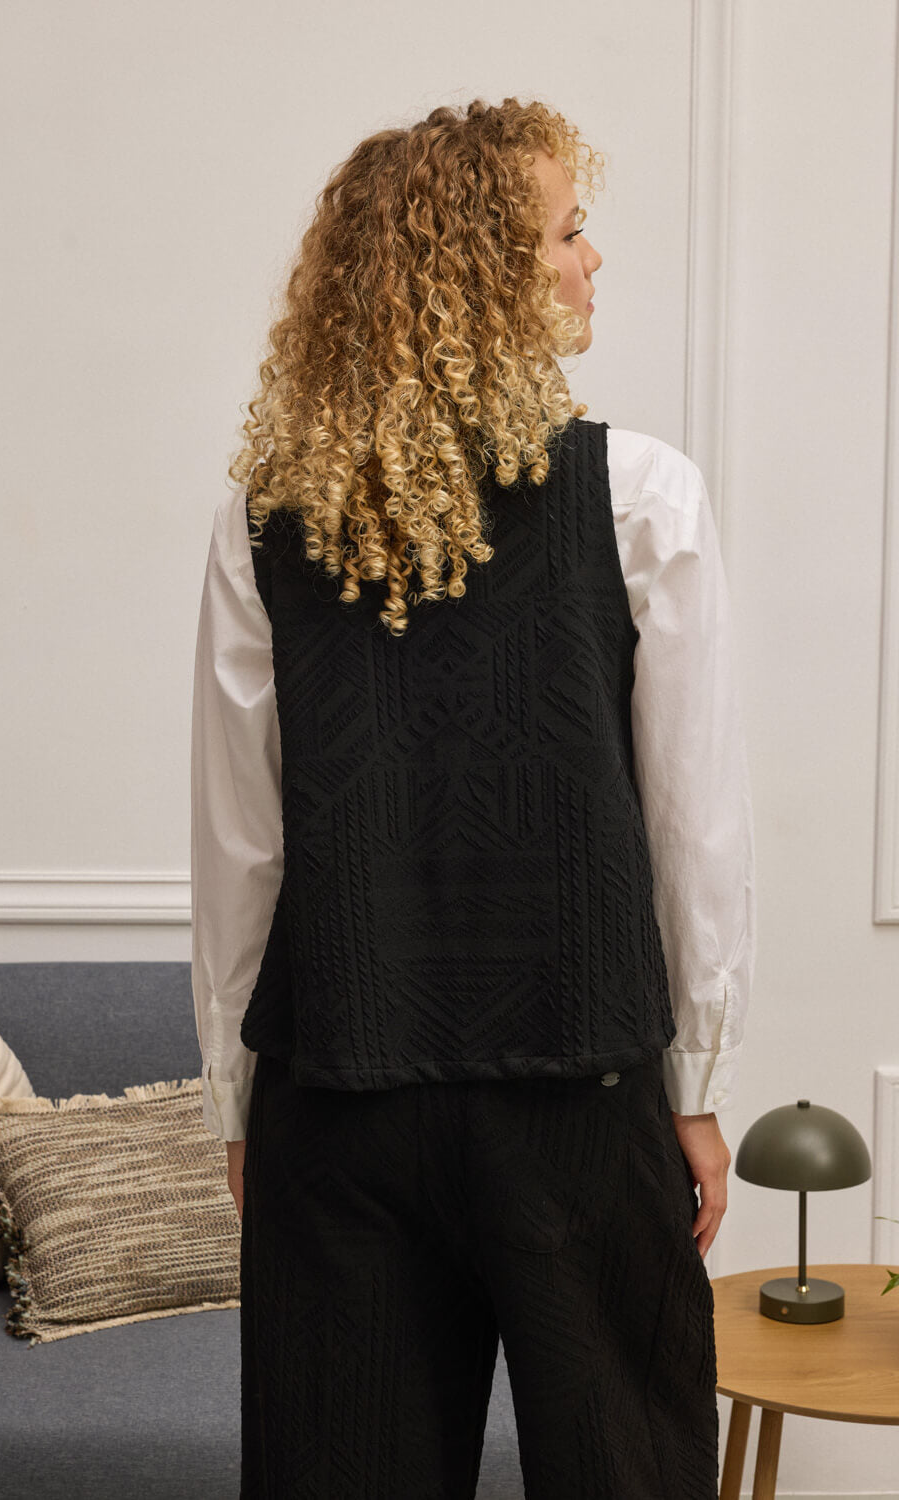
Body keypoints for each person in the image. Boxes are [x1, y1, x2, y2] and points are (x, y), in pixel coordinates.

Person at [191, 96, 755, 1499]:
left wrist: (238, 1107)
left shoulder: (268, 518)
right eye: (568, 234)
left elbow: (240, 849)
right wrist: (698, 1085)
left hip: (341, 1105)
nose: (591, 260)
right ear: (489, 275)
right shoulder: (642, 498)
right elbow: (691, 828)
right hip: (581, 1094)